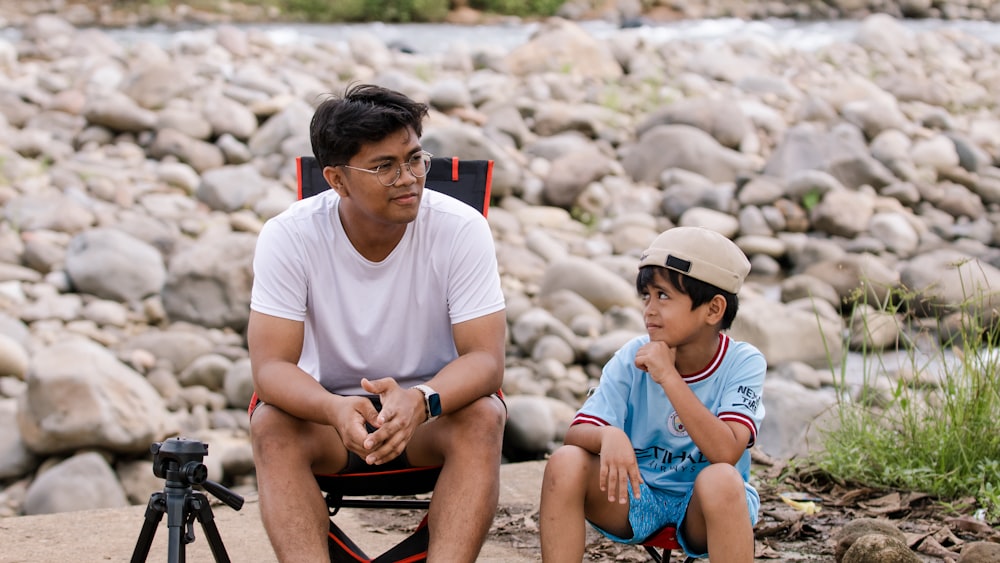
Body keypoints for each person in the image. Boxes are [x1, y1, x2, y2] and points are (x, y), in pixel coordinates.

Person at [246, 83, 507, 562]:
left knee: (483, 415)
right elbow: (271, 369)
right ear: (337, 180)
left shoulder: (461, 228)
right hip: (329, 420)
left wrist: (421, 401)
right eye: (384, 167)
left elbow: (486, 360)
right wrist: (331, 408)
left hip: (428, 415)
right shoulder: (289, 236)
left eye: (414, 158)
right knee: (271, 425)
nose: (408, 178)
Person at [539, 226, 765, 562]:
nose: (649, 310)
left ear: (713, 310)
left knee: (721, 480)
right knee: (565, 461)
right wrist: (608, 436)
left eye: (664, 296)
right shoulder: (633, 356)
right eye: (646, 296)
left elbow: (725, 452)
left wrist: (668, 376)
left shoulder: (742, 363)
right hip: (637, 496)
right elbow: (576, 432)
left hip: (705, 512)